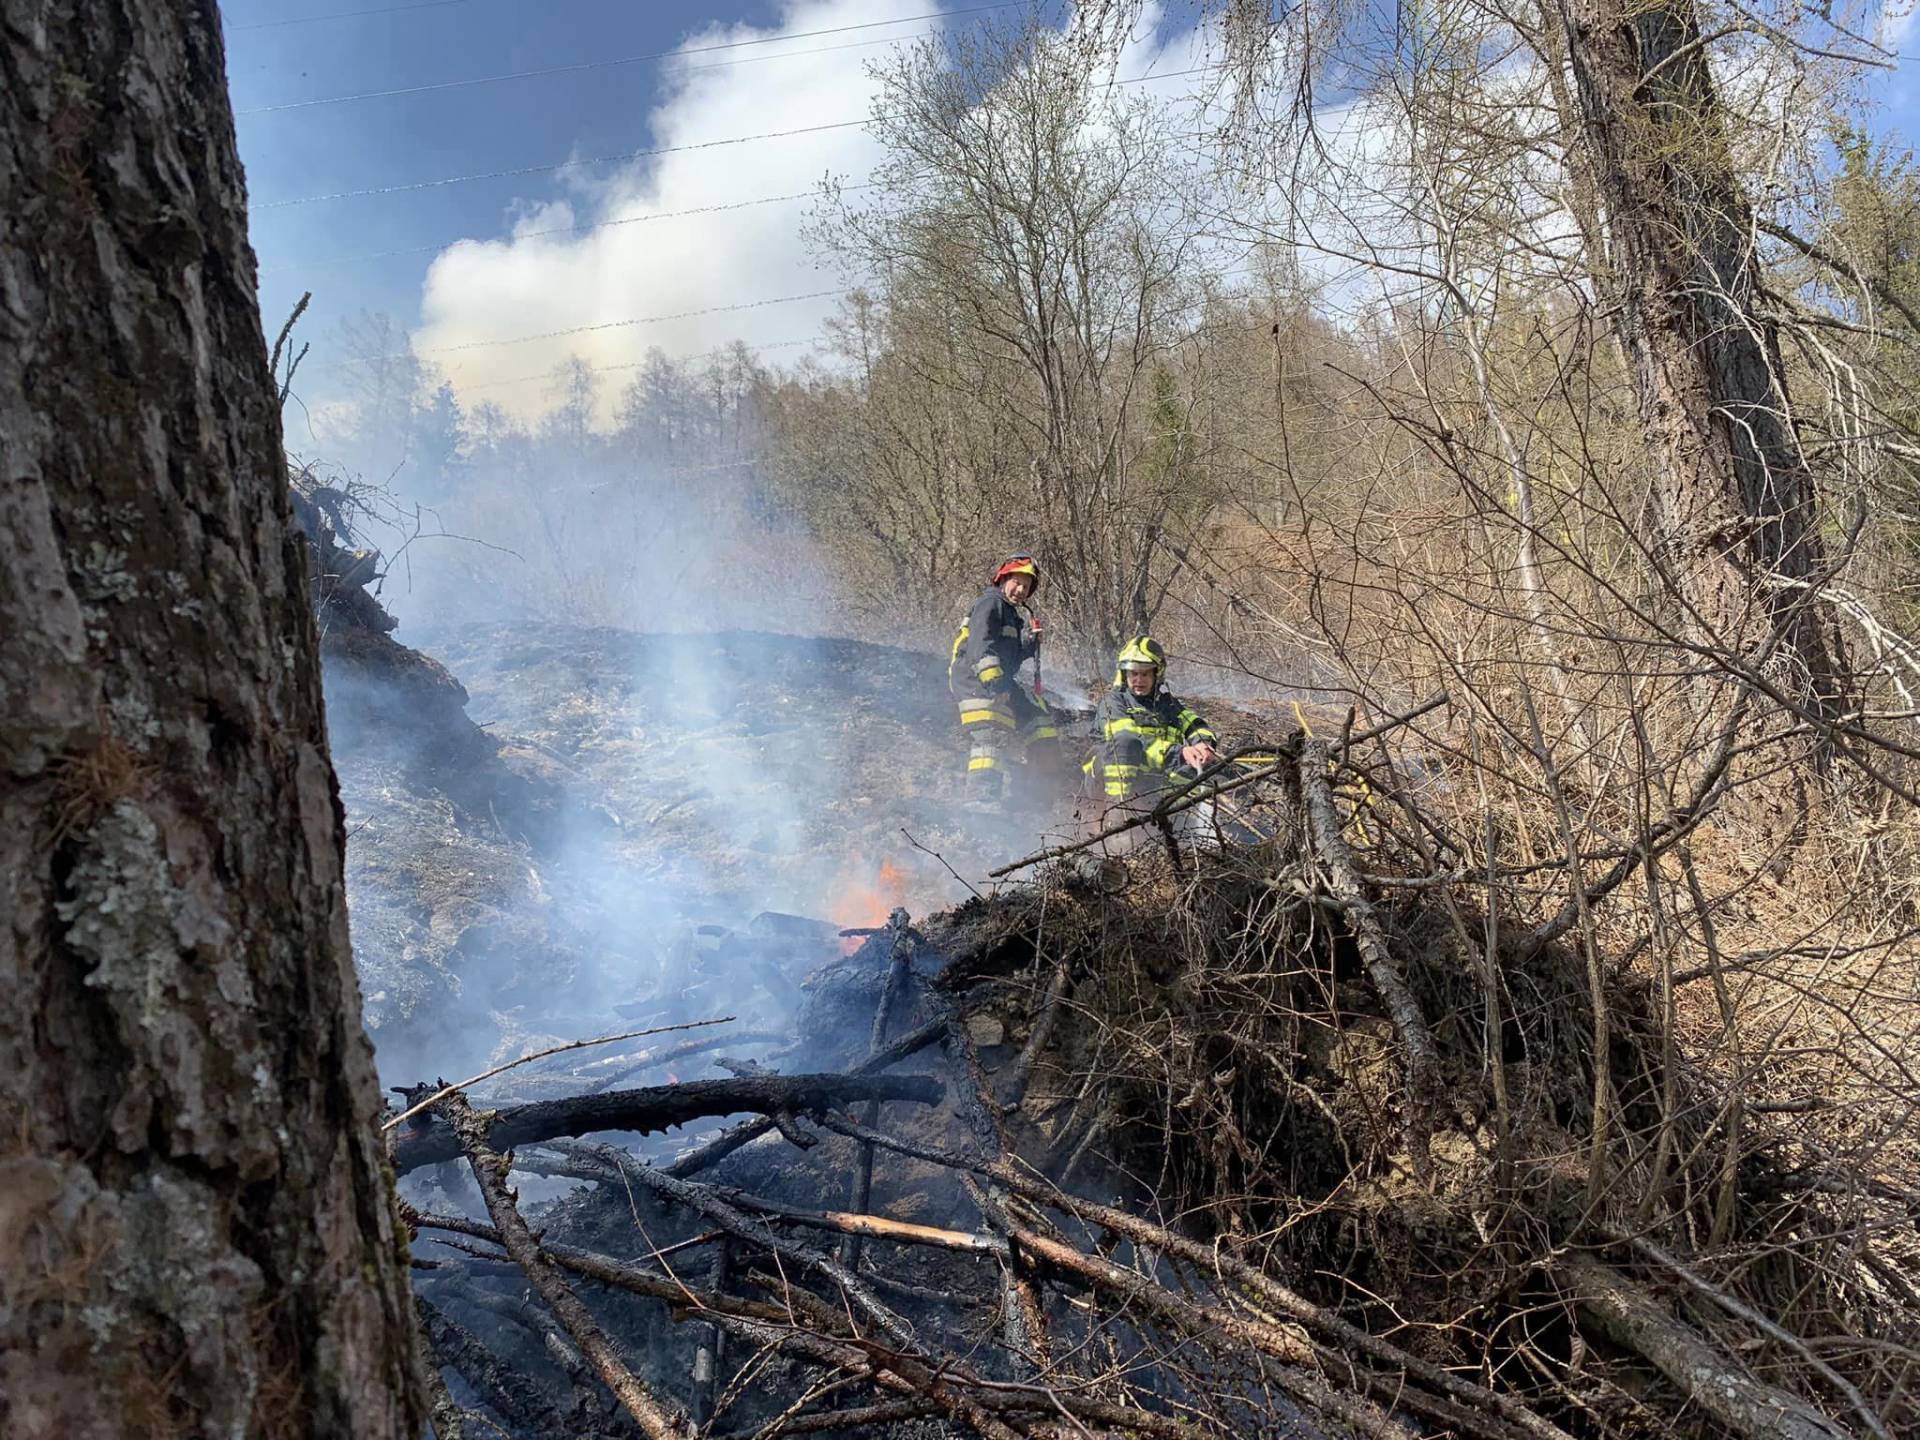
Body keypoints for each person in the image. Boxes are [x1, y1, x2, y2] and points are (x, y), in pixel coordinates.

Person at [949, 554, 1059, 805]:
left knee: (1039, 721)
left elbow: (1011, 660)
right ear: (1003, 579)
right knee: (991, 736)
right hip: (976, 682)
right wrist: (996, 685)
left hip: (1001, 682)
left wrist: (1028, 643)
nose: (1021, 590)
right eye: (1017, 582)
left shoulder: (1011, 615)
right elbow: (980, 648)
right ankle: (981, 804)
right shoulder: (990, 604)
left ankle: (1038, 796)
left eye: (1027, 586)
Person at [1086, 636, 1218, 804]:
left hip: (1153, 780)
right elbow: (1127, 738)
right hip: (1104, 780)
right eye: (1133, 673)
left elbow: (1195, 725)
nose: (1138, 680)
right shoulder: (1113, 702)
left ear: (1157, 674)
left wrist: (1203, 744)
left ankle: (1176, 820)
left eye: (1145, 673)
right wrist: (1178, 752)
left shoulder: (1167, 704)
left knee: (1195, 771)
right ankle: (1118, 814)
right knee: (1125, 743)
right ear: (1124, 674)